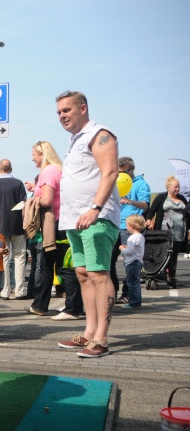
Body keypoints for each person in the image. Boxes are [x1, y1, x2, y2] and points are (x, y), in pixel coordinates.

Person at [55, 91, 120, 359]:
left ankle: (102, 339)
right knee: (82, 273)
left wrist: (95, 209)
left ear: (83, 108)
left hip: (96, 217)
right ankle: (90, 332)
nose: (62, 116)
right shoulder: (75, 140)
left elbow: (111, 172)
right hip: (75, 218)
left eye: (67, 110)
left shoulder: (100, 134)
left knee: (98, 274)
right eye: (59, 112)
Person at [27, 140, 67, 317]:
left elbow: (47, 200)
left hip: (54, 223)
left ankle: (40, 305)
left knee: (47, 266)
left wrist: (30, 203)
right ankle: (72, 304)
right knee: (61, 264)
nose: (32, 159)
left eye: (34, 155)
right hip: (62, 222)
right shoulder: (58, 169)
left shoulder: (48, 171)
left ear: (42, 154)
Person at [112, 157, 151, 303]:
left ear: (131, 169)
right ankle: (112, 291)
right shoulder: (116, 181)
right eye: (119, 171)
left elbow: (145, 205)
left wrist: (130, 201)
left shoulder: (141, 184)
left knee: (129, 263)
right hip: (114, 225)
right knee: (109, 261)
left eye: (124, 171)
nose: (122, 174)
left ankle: (127, 294)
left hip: (129, 228)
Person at [144, 176, 189, 288]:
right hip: (164, 231)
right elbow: (152, 210)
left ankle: (172, 276)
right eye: (175, 187)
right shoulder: (161, 197)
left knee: (174, 255)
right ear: (168, 187)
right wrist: (149, 220)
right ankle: (161, 273)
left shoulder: (182, 198)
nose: (177, 189)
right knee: (163, 252)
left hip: (179, 232)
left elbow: (188, 215)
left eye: (178, 187)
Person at [0, 159, 27, 300]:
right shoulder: (18, 183)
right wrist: (25, 223)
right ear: (11, 169)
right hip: (17, 224)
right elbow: (24, 205)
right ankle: (19, 290)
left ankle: (5, 291)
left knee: (4, 257)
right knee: (20, 257)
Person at [119, 215, 146, 309]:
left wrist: (122, 249)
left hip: (132, 262)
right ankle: (137, 301)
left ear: (132, 226)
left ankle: (134, 302)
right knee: (136, 283)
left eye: (127, 225)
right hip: (138, 261)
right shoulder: (141, 236)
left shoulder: (132, 238)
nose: (126, 227)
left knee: (131, 283)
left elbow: (129, 251)